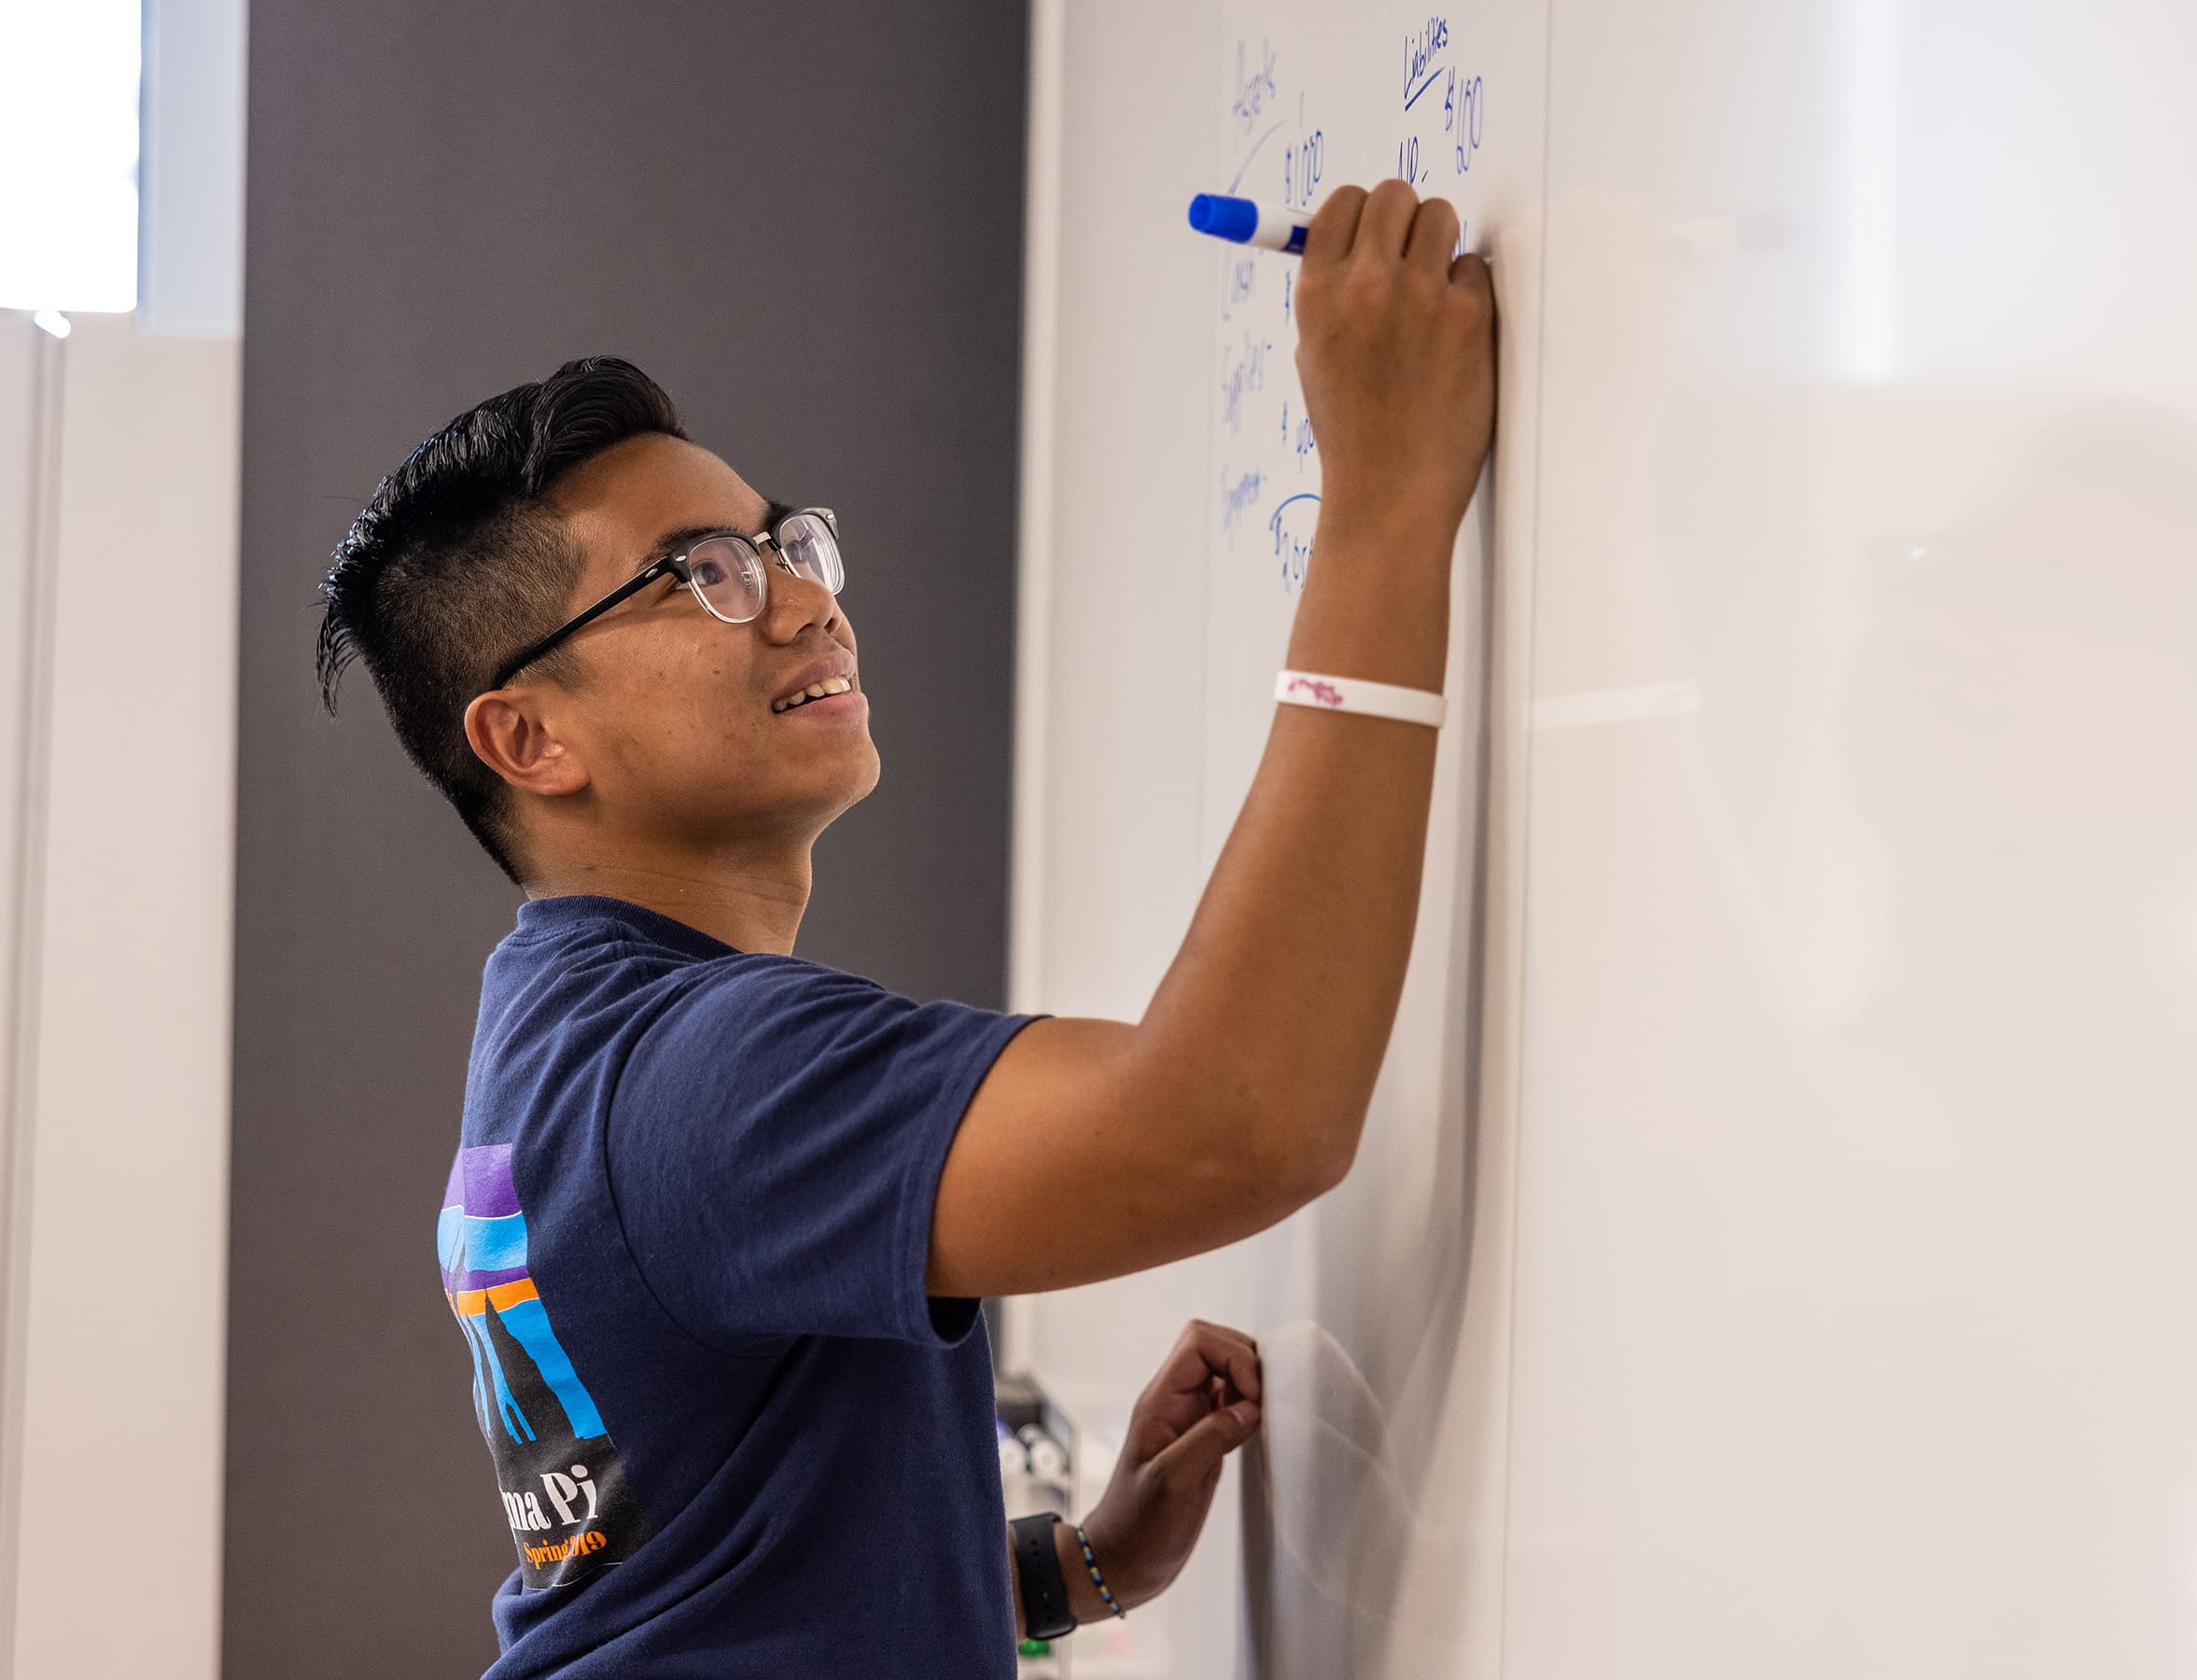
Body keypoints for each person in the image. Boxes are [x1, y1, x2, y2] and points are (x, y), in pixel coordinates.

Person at [313, 177, 1495, 1677]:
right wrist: (1386, 502)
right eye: (705, 579)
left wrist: (1079, 1563)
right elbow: (1237, 1125)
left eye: (784, 543)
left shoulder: (558, 1028)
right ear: (531, 739)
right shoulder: (700, 1077)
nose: (803, 600)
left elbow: (677, 1558)